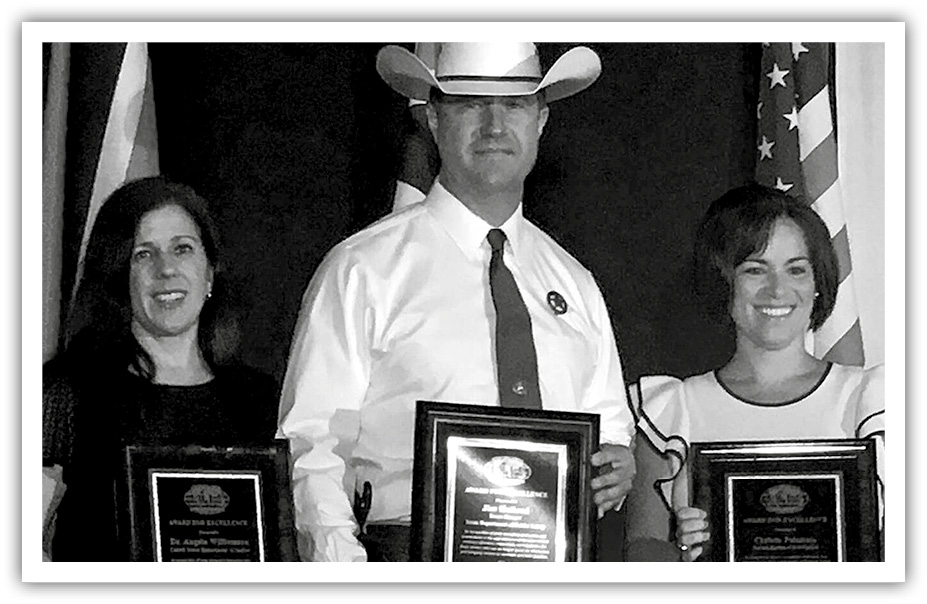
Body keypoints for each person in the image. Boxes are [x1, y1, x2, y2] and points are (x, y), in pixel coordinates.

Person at [277, 42, 636, 562]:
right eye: (470, 104)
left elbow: (610, 429)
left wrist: (615, 466)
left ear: (541, 120)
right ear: (432, 119)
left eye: (514, 105)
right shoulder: (363, 269)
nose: (494, 126)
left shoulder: (575, 282)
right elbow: (312, 444)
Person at [623, 183, 884, 562]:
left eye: (796, 270)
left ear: (817, 284)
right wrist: (684, 554)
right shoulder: (670, 410)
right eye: (755, 270)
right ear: (723, 282)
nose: (777, 290)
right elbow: (640, 555)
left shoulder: (872, 402)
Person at [42, 176, 279, 561]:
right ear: (118, 275)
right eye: (143, 254)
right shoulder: (66, 393)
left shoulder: (259, 400)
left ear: (210, 271)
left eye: (182, 249)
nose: (166, 269)